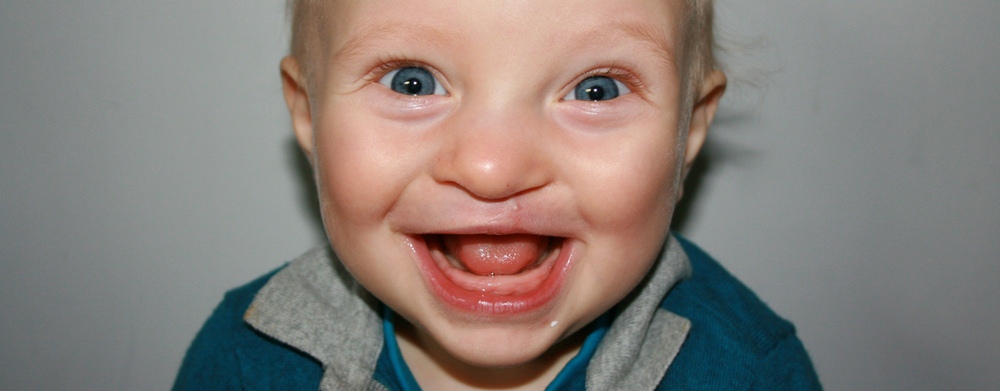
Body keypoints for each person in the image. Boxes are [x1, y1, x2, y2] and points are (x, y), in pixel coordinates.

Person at [174, 0, 821, 389]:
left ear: (688, 131)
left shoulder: (749, 373)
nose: (491, 167)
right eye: (411, 82)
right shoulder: (245, 358)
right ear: (308, 112)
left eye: (595, 90)